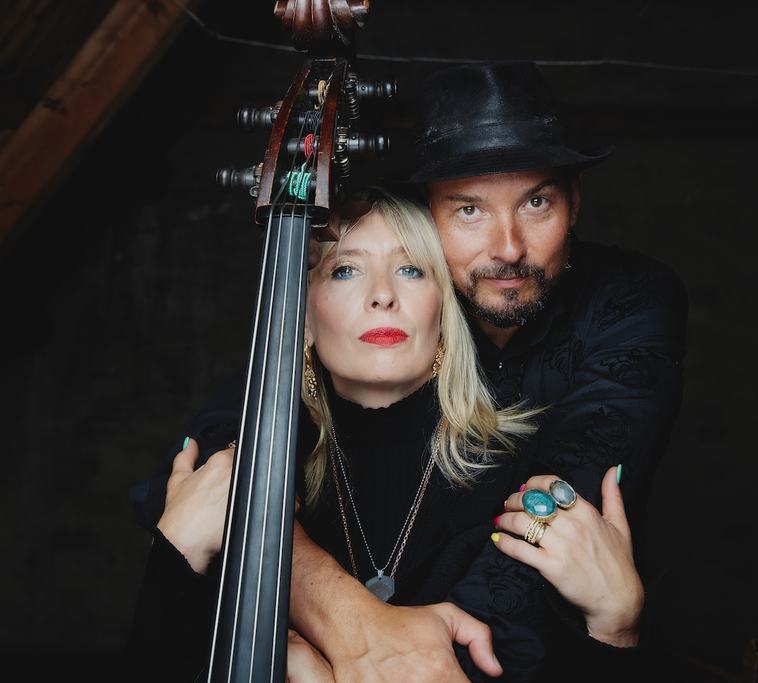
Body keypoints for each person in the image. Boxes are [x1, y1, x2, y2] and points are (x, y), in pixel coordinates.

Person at [127, 190, 646, 682]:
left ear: (444, 312)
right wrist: (178, 548)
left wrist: (616, 630)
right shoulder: (244, 478)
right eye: (346, 270)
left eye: (411, 269)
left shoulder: (523, 472)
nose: (382, 295)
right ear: (300, 319)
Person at [278, 61, 689, 682]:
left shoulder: (631, 298)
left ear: (575, 201)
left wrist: (406, 659)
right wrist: (357, 625)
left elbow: (567, 502)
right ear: (428, 215)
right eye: (469, 210)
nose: (508, 248)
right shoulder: (404, 308)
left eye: (536, 202)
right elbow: (228, 439)